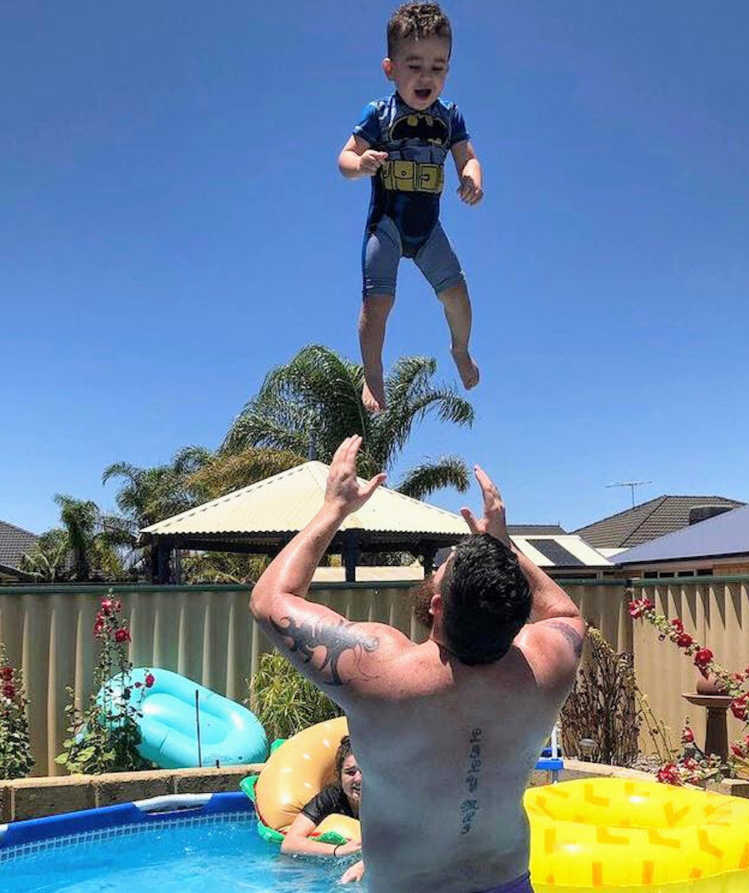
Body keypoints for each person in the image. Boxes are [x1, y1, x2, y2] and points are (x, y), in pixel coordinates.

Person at [250, 436, 585, 892]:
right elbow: (564, 614)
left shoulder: (380, 672)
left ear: (437, 606)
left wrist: (335, 507)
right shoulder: (545, 667)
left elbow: (271, 599)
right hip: (506, 881)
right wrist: (503, 545)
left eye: (438, 574)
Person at [338, 3, 483, 413]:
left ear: (448, 71)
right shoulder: (378, 115)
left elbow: (467, 158)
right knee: (377, 303)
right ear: (391, 69)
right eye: (415, 65)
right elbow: (344, 159)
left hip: (428, 232)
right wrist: (360, 165)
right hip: (386, 226)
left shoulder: (449, 117)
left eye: (437, 68)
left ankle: (460, 348)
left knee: (457, 293)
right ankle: (373, 376)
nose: (426, 77)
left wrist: (472, 178)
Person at [279, 735, 363, 860]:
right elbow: (289, 844)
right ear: (339, 775)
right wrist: (338, 850)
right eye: (350, 772)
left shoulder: (386, 798)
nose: (358, 779)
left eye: (364, 771)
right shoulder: (330, 797)